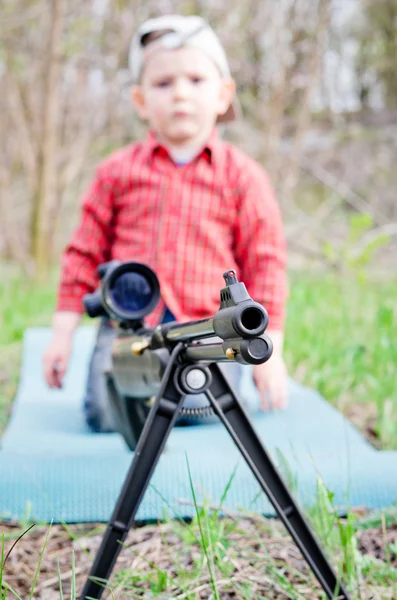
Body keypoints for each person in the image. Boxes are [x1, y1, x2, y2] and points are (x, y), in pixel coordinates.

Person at [43, 14, 289, 433]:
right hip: (130, 325)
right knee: (105, 415)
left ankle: (177, 404)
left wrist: (271, 350)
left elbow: (265, 262)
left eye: (195, 80)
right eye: (163, 83)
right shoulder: (116, 172)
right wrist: (62, 334)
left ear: (223, 94)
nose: (180, 95)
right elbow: (83, 254)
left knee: (208, 407)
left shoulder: (242, 176)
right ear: (140, 101)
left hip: (209, 328)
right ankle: (141, 404)